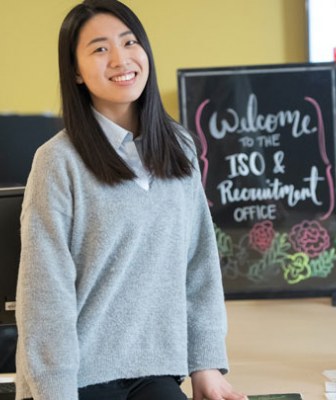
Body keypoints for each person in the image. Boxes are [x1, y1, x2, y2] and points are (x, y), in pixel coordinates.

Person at [15, 1, 247, 399]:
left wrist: (205, 366)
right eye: (100, 48)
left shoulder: (181, 148)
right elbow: (43, 294)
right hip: (78, 375)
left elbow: (199, 267)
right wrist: (54, 391)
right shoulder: (57, 161)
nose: (121, 59)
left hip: (156, 369)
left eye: (129, 42)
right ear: (75, 71)